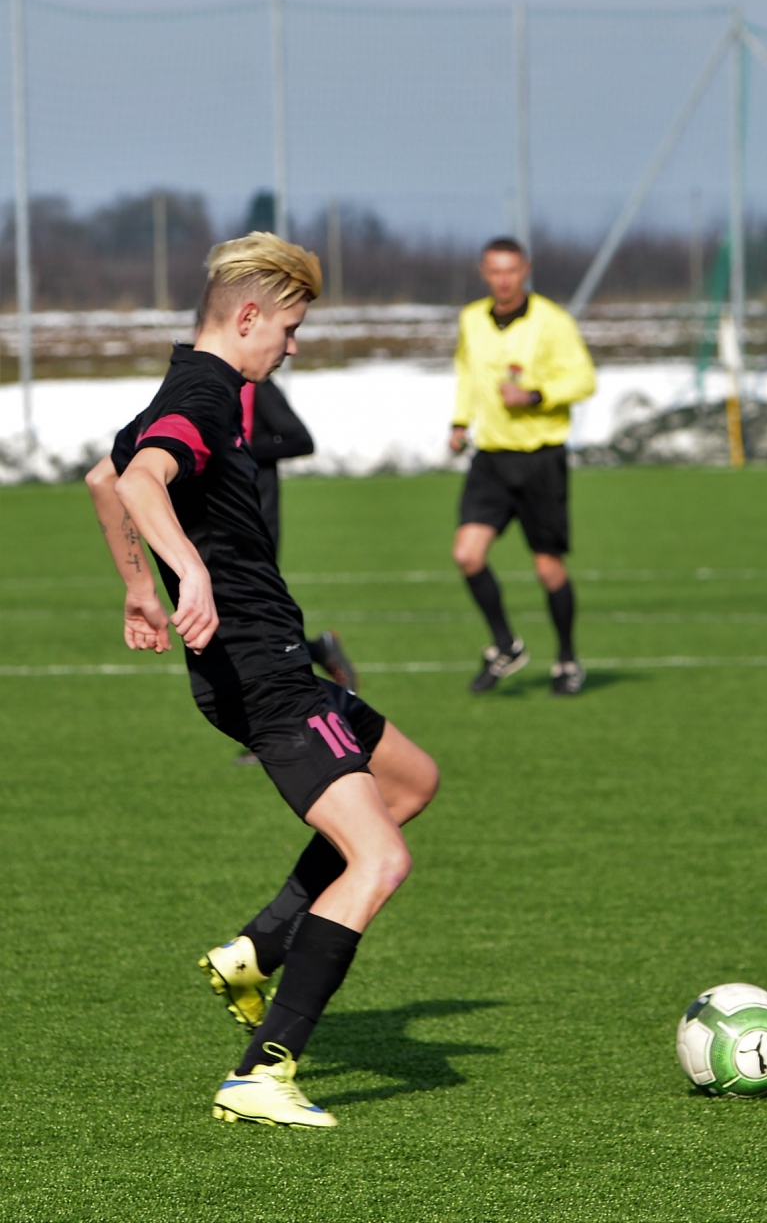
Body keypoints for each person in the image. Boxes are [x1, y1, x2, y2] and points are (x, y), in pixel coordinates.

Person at [83, 232, 441, 1127]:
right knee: (381, 858)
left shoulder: (191, 384)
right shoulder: (206, 393)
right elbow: (141, 480)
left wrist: (138, 588)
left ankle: (256, 950)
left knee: (410, 782)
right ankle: (262, 1072)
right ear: (248, 316)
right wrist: (186, 574)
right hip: (262, 674)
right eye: (289, 328)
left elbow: (102, 477)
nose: (294, 346)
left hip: (277, 663)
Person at [448, 237, 598, 696]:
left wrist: (534, 395)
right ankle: (505, 645)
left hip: (540, 459)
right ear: (484, 272)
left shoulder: (552, 320)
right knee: (467, 555)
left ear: (525, 270)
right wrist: (459, 423)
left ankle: (567, 659)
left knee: (548, 568)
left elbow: (584, 379)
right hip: (492, 458)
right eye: (495, 271)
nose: (503, 280)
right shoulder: (472, 319)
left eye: (511, 270)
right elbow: (466, 374)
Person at [231, 374, 357, 764]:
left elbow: (300, 439)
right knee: (244, 629)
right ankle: (318, 651)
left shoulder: (256, 386)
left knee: (254, 630)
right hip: (219, 527)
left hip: (256, 527)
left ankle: (283, 732)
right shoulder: (203, 387)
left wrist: (241, 447)